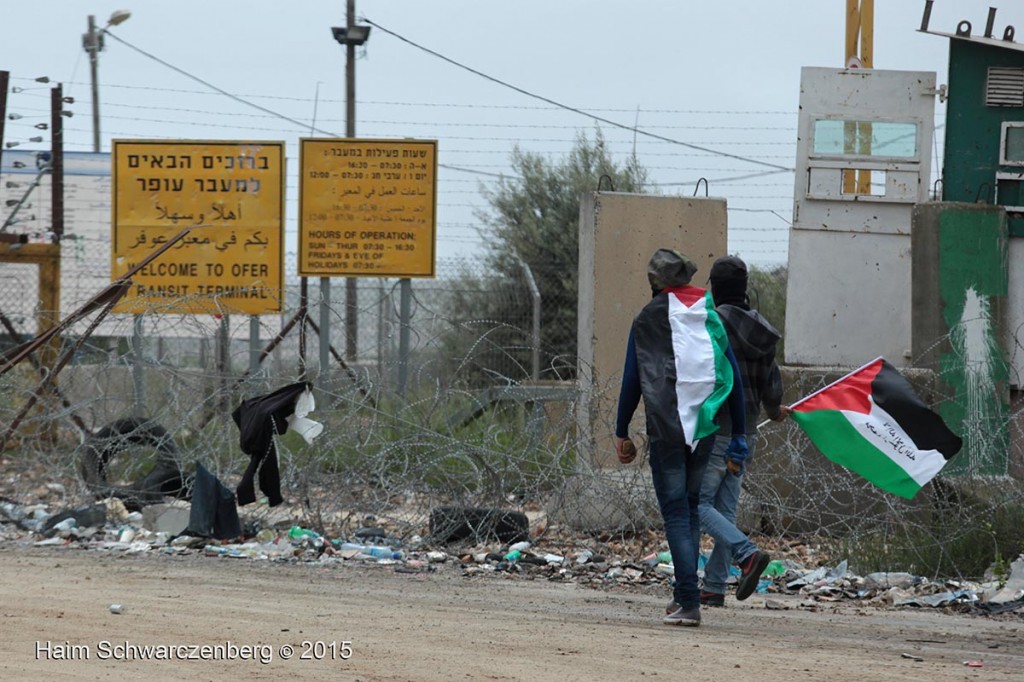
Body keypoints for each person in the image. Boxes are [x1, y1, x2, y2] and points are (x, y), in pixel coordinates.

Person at [614, 248, 759, 627]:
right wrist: (739, 433)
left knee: (678, 513)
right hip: (706, 428)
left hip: (667, 429)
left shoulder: (647, 318)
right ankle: (684, 596)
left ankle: (689, 602)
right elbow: (732, 381)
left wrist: (620, 430)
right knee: (692, 509)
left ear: (655, 282)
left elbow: (634, 378)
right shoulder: (706, 311)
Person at [698, 255, 789, 607]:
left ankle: (747, 554)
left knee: (697, 505)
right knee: (725, 509)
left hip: (715, 430)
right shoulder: (763, 330)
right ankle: (714, 586)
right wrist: (773, 410)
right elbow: (771, 382)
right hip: (746, 432)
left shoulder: (712, 325)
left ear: (716, 287)